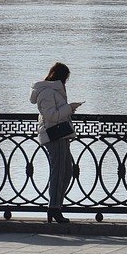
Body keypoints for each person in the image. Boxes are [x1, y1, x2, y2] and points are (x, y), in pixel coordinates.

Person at [30, 62, 82, 224]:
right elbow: (51, 116)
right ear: (61, 76)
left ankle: (56, 206)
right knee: (59, 173)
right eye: (66, 77)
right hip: (55, 137)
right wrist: (69, 108)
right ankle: (54, 208)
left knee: (66, 172)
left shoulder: (55, 90)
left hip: (62, 135)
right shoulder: (47, 92)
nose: (67, 81)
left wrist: (69, 108)